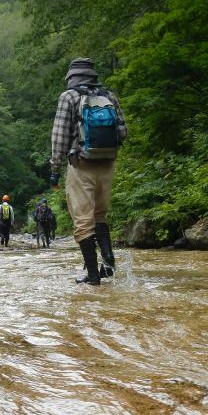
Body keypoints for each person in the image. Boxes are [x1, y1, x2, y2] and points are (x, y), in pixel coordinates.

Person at [50, 57, 127, 285]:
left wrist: (55, 169)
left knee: (83, 221)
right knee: (99, 215)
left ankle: (93, 277)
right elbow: (123, 132)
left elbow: (59, 136)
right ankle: (108, 261)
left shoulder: (69, 97)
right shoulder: (109, 96)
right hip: (108, 163)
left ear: (71, 77)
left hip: (81, 164)